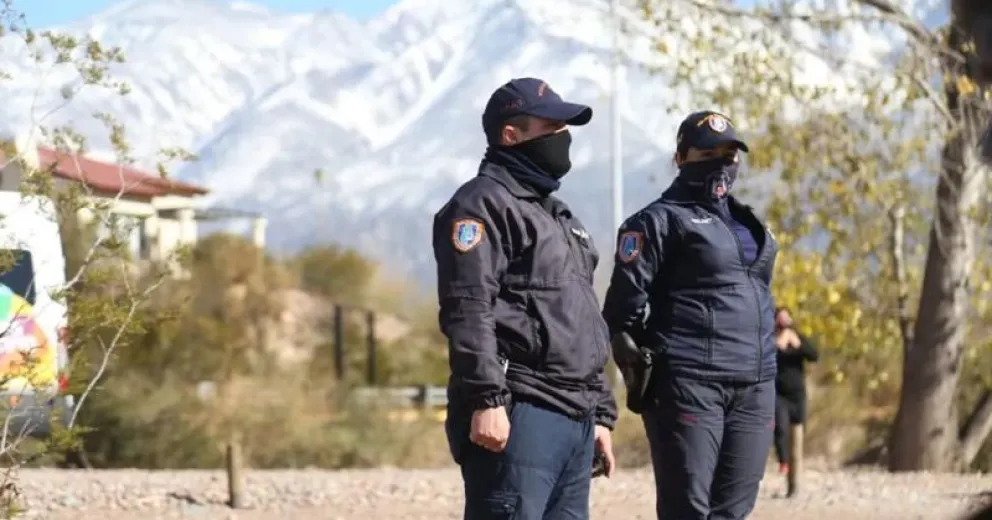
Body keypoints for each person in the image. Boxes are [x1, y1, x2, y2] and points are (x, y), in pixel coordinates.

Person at [432, 77, 618, 520]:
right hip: (522, 410)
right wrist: (486, 400)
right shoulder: (480, 206)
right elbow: (468, 308)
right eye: (550, 128)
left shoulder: (556, 215)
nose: (562, 140)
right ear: (511, 135)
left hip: (574, 417)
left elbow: (580, 319)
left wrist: (602, 413)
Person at [603, 110, 778, 520]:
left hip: (755, 383)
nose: (722, 161)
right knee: (688, 509)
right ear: (681, 157)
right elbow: (621, 312)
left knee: (734, 509)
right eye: (708, 152)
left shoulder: (747, 220)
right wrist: (648, 366)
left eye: (730, 152)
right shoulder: (657, 221)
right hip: (690, 381)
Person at [772, 306, 818, 476]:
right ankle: (783, 462)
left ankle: (795, 474)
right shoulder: (771, 340)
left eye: (786, 318)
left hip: (797, 393)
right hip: (779, 394)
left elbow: (814, 356)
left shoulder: (798, 338)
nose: (783, 321)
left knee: (798, 433)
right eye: (780, 318)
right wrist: (778, 346)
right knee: (781, 428)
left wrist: (798, 345)